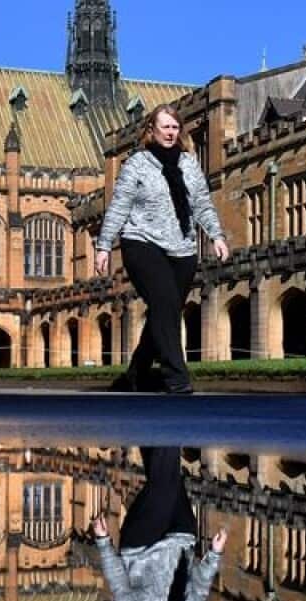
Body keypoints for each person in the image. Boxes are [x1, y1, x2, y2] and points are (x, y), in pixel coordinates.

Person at [96, 104, 230, 395]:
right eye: (165, 127)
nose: (170, 132)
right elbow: (119, 206)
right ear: (151, 130)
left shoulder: (189, 164)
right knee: (166, 305)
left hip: (182, 247)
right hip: (142, 242)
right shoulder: (137, 164)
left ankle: (135, 374)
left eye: (174, 127)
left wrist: (216, 236)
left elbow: (202, 204)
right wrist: (104, 245)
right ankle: (177, 377)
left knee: (164, 310)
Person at [92, 446, 227, 601]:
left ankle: (172, 420)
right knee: (169, 478)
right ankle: (150, 426)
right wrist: (214, 553)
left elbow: (118, 582)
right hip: (181, 538)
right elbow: (200, 585)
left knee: (163, 485)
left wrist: (103, 542)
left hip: (142, 545)